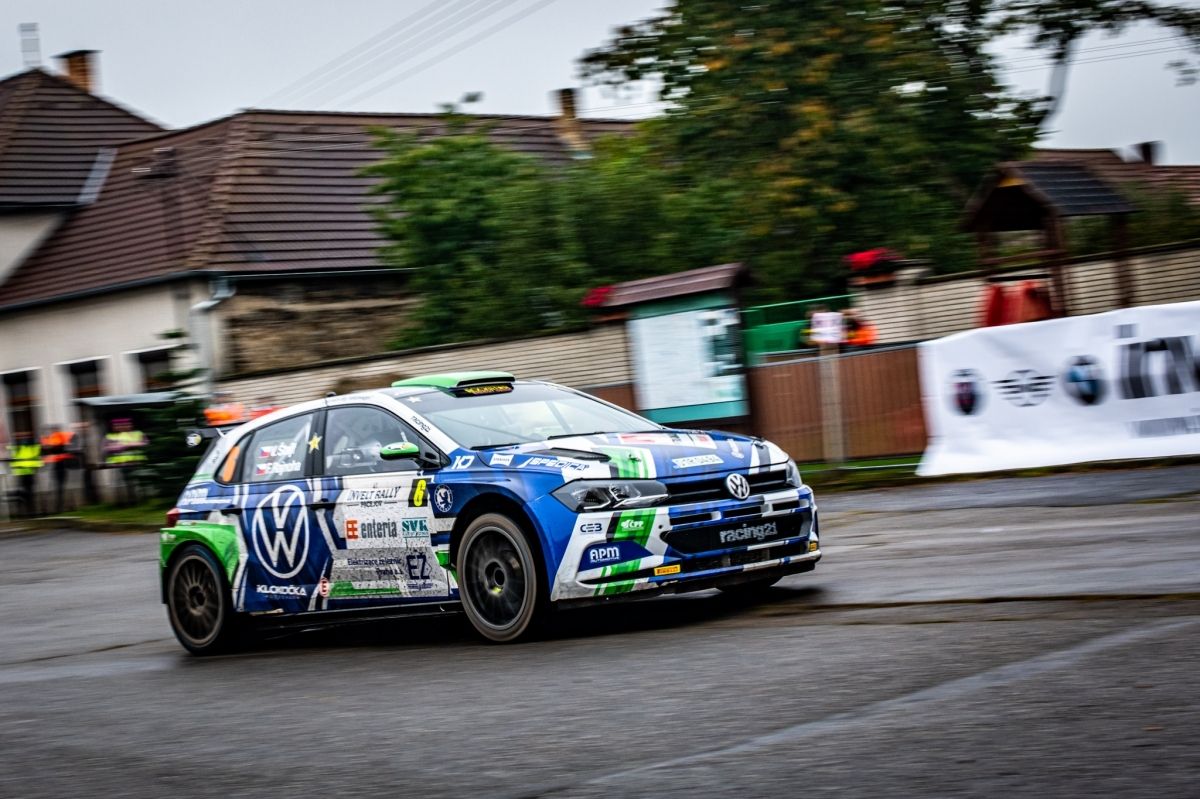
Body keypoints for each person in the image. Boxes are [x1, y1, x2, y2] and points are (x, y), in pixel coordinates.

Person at [104, 418, 148, 505]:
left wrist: (126, 445)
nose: (122, 427)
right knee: (123, 484)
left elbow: (145, 443)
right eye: (118, 426)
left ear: (130, 425)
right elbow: (108, 448)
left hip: (136, 461)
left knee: (138, 482)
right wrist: (125, 446)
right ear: (114, 427)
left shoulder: (138, 433)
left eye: (125, 425)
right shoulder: (110, 436)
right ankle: (126, 502)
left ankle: (141, 500)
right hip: (119, 464)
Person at [40, 424, 79, 514]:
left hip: (59, 465)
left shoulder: (56, 438)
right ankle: (61, 506)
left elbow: (50, 450)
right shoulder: (57, 438)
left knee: (58, 487)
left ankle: (59, 507)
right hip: (59, 465)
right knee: (60, 487)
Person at [8, 433, 42, 517]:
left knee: (26, 493)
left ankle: (27, 511)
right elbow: (37, 461)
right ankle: (29, 511)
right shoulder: (30, 448)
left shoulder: (18, 448)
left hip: (24, 473)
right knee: (28, 493)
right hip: (26, 473)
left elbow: (13, 462)